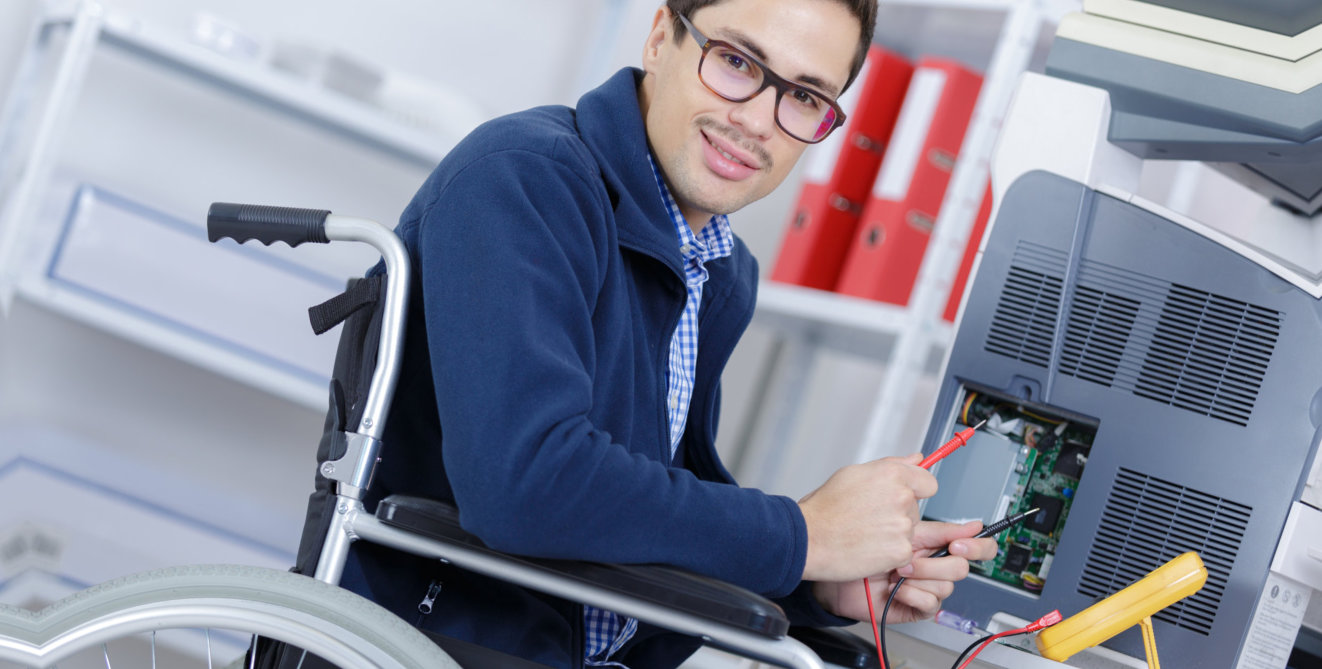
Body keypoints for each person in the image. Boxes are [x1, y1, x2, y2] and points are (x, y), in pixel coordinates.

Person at [333, 0, 999, 667]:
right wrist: (802, 533)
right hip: (445, 644)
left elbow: (651, 505)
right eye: (736, 61)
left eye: (803, 97)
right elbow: (525, 481)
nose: (756, 121)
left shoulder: (720, 269)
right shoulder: (524, 179)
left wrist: (816, 579)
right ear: (659, 39)